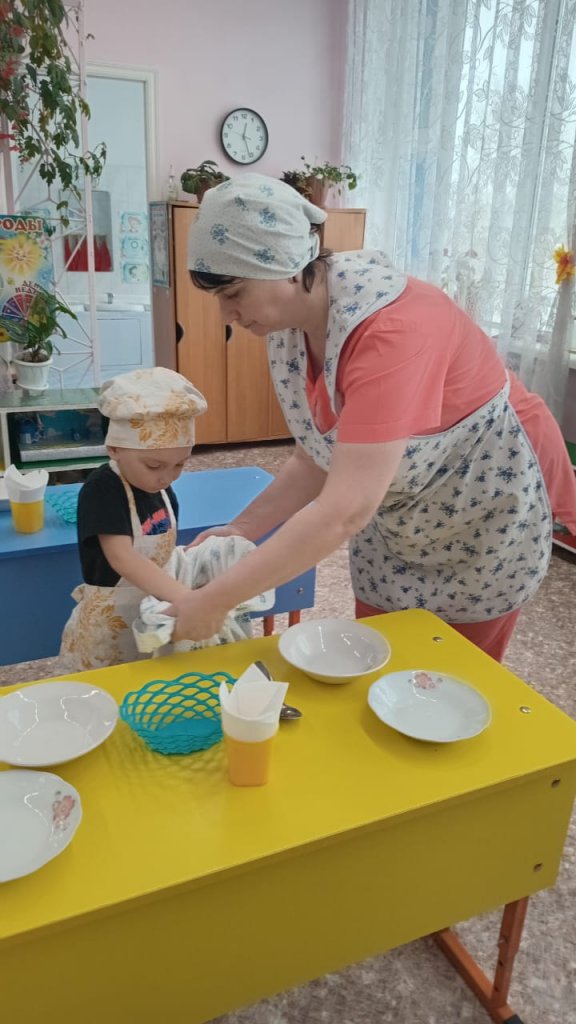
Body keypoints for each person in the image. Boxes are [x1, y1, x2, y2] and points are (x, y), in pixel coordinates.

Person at [171, 173, 576, 662]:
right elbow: (315, 458)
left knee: (452, 670)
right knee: (380, 656)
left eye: (233, 293)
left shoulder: (392, 330)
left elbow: (344, 510)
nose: (226, 315)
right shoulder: (294, 323)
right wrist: (241, 530)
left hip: (482, 499)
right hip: (403, 510)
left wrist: (216, 600)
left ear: (287, 266)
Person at [58, 366, 207, 671]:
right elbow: (123, 558)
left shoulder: (161, 490)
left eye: (179, 465)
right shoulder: (103, 489)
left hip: (151, 614)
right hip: (109, 628)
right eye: (154, 465)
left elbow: (161, 552)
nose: (167, 477)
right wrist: (185, 599)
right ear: (114, 448)